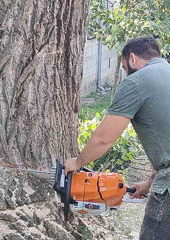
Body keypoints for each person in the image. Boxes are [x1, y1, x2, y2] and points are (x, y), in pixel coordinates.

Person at [65, 36, 170, 240]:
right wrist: (150, 183)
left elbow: (104, 138)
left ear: (132, 58)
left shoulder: (137, 82)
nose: (125, 73)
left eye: (123, 67)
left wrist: (77, 163)